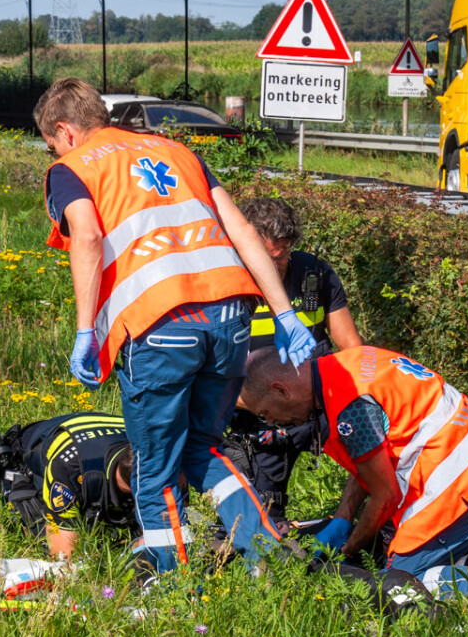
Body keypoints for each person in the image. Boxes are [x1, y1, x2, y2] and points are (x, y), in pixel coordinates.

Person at [36, 77, 316, 579]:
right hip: (231, 316)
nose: (53, 154)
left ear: (66, 131)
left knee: (155, 466)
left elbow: (88, 236)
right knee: (202, 449)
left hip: (161, 325)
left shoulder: (71, 168)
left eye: (51, 144)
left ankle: (171, 585)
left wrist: (85, 331)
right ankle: (269, 556)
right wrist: (283, 312)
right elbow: (241, 230)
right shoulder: (177, 151)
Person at [237, 346, 468, 601]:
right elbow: (369, 460)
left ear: (281, 389)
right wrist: (343, 519)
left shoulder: (349, 405)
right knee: (396, 551)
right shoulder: (347, 364)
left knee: (401, 584)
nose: (273, 422)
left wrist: (348, 548)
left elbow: (385, 493)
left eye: (267, 413)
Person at [224, 196, 360, 523]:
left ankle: (353, 525)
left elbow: (353, 350)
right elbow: (210, 375)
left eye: (282, 255)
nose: (275, 266)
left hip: (318, 401)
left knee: (374, 452)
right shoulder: (227, 285)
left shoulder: (315, 274)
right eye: (265, 257)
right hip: (257, 412)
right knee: (262, 517)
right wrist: (261, 403)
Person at [0, 412, 140, 560]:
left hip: (96, 429)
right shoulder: (69, 469)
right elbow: (63, 558)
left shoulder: (148, 446)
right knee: (42, 534)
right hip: (38, 440)